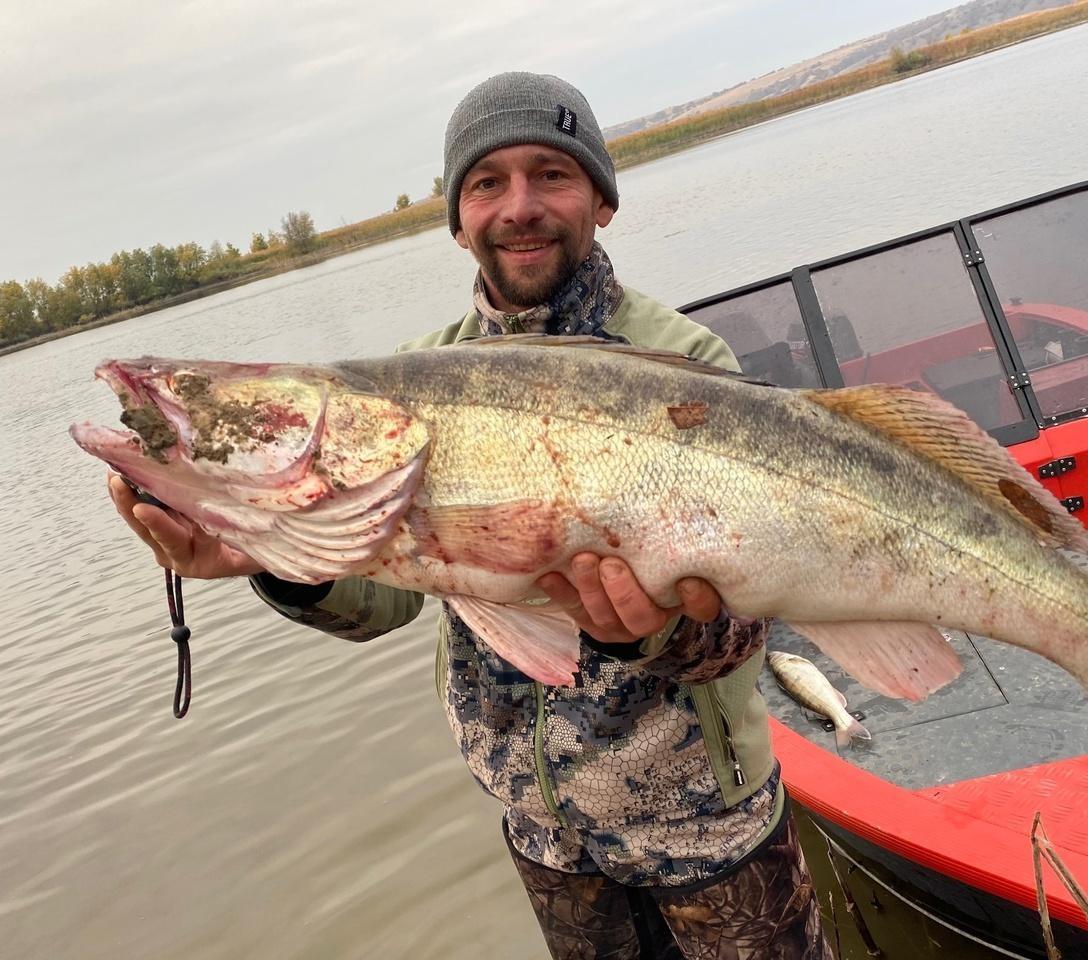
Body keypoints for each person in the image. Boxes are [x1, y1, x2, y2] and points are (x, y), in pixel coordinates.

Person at [107, 72, 834, 960]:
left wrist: (644, 632)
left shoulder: (687, 362)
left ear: (601, 200)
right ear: (458, 219)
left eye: (551, 174)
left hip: (701, 824)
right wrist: (266, 555)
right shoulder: (407, 377)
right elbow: (386, 599)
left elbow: (751, 624)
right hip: (542, 828)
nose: (518, 206)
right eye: (486, 183)